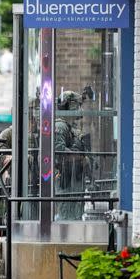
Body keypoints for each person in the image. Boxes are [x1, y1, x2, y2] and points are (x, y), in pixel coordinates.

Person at [54, 90, 89, 221]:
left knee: (75, 215)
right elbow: (59, 153)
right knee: (67, 217)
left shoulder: (70, 127)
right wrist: (81, 158)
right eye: (77, 105)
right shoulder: (60, 126)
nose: (80, 109)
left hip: (74, 180)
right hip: (66, 181)